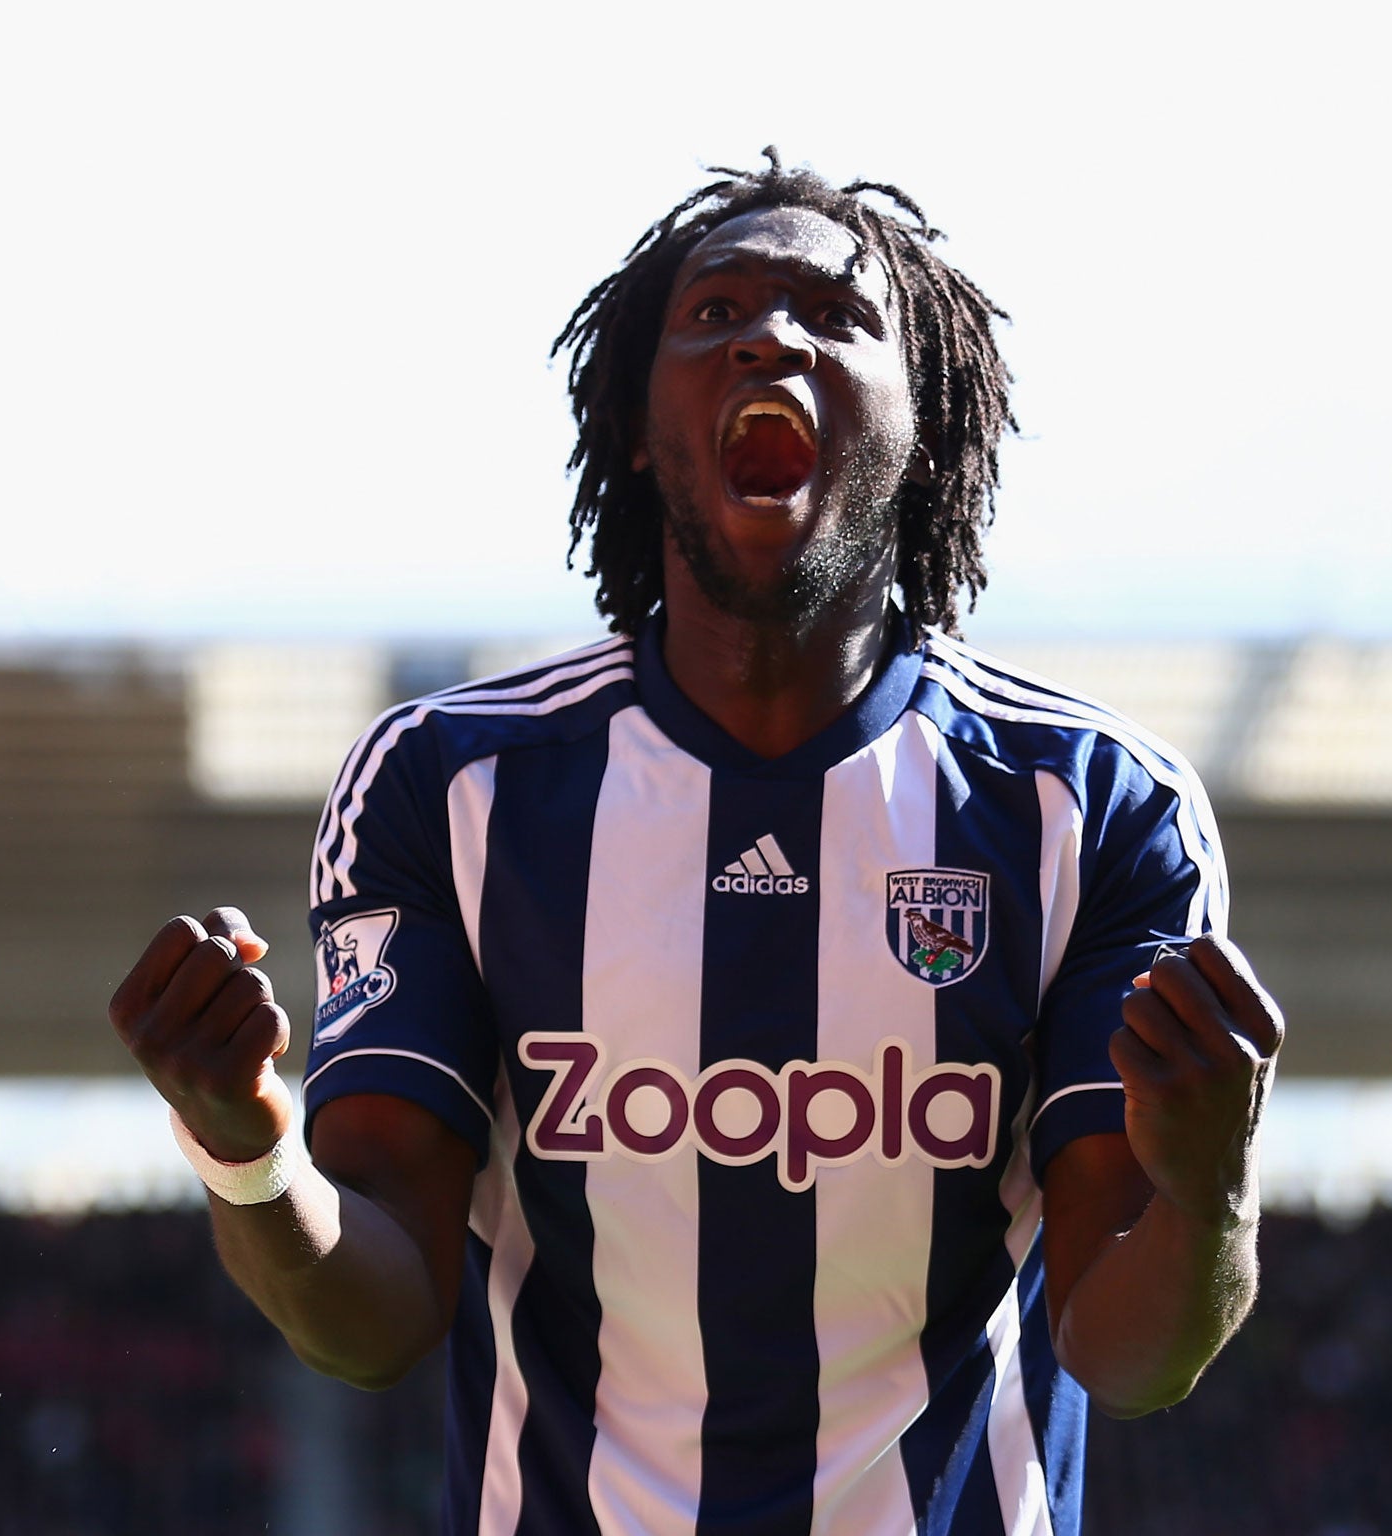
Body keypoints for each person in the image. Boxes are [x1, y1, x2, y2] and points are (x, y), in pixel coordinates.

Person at [108, 150, 1285, 1535]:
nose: (770, 335)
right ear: (632, 418)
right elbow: (368, 1317)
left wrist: (1213, 1187)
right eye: (716, 311)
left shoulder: (1086, 803)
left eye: (834, 318)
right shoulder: (452, 786)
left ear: (925, 426)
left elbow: (1132, 1353)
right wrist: (246, 1148)